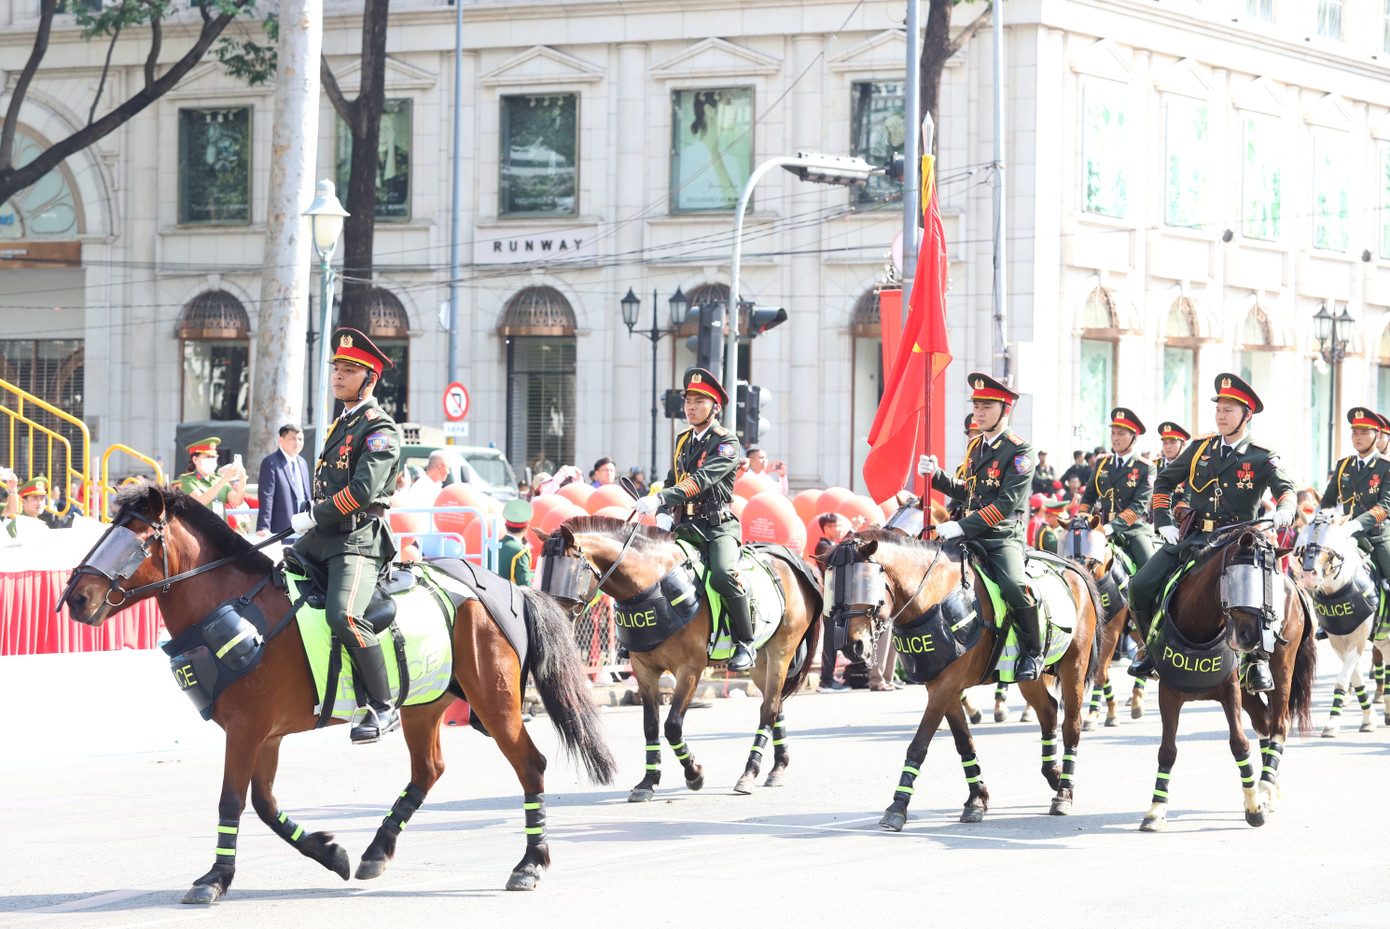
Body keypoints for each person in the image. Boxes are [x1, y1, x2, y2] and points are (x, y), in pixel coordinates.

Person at [1127, 373, 1296, 691]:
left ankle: (1256, 661)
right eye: (1218, 408)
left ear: (1246, 415)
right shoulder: (1199, 448)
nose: (1220, 414)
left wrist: (1286, 508)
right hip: (1196, 538)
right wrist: (1163, 520)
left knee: (1256, 594)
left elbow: (1286, 488)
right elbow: (1164, 482)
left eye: (1229, 409)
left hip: (1240, 541)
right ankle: (1152, 648)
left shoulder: (1261, 456)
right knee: (1139, 585)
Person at [289, 327, 404, 744]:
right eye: (336, 367)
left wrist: (313, 515)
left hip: (356, 540)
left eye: (349, 369)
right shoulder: (344, 421)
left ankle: (384, 706)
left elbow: (361, 492)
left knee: (344, 615)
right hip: (322, 536)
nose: (338, 375)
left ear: (370, 378)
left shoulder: (380, 428)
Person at [918, 372, 1045, 681]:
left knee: (1015, 586)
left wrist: (961, 526)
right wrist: (937, 476)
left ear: (1005, 410)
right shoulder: (976, 446)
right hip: (969, 533)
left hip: (1001, 537)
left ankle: (1032, 651)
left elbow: (1005, 503)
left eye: (986, 406)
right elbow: (970, 491)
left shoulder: (1020, 451)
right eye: (976, 406)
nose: (978, 412)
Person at [634, 367, 754, 671]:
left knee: (724, 574)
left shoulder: (727, 442)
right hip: (684, 526)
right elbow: (671, 478)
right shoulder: (682, 439)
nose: (691, 407)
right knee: (650, 570)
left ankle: (745, 641)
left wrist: (660, 499)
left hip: (717, 526)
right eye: (688, 401)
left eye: (699, 401)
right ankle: (646, 641)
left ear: (715, 407)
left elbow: (700, 480)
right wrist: (662, 514)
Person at [1071, 407, 1155, 569]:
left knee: (1150, 569)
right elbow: (1089, 495)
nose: (1115, 438)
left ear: (1134, 438)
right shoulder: (1102, 463)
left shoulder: (1146, 468)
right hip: (1100, 525)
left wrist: (1111, 528)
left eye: (1121, 433)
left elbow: (1138, 506)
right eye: (1113, 433)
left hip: (1133, 529)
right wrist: (1082, 516)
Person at [1317, 408, 1390, 588]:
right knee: (1315, 570)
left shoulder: (1385, 467)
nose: (1358, 437)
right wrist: (1324, 518)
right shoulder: (1344, 466)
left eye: (1365, 432)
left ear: (1377, 434)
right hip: (1344, 535)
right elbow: (1328, 501)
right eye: (1355, 433)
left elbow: (1385, 506)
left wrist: (1356, 524)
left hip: (1377, 536)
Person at [256, 423, 312, 536]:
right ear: (281, 440)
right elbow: (267, 497)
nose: (297, 443)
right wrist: (263, 526)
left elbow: (307, 496)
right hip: (281, 528)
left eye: (300, 439)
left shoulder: (303, 463)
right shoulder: (271, 462)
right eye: (293, 439)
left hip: (304, 528)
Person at [176, 437, 247, 520]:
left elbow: (237, 501)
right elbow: (200, 502)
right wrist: (225, 479)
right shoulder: (188, 480)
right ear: (195, 459)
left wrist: (243, 479)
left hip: (220, 528)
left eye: (214, 457)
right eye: (208, 457)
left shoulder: (219, 479)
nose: (212, 460)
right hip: (199, 530)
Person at [1155, 421, 1192, 519]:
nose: (1168, 446)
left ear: (1183, 444)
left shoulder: (1191, 467)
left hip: (1179, 519)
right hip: (1153, 518)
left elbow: (1187, 500)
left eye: (1172, 442)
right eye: (1165, 442)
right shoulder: (1154, 466)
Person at [498, 499, 535, 586]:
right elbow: (525, 585)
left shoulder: (491, 547)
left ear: (506, 526)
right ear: (526, 528)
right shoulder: (520, 552)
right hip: (510, 598)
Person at [3, 475, 52, 540]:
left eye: (42, 499)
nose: (39, 503)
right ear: (23, 501)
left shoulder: (42, 525)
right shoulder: (17, 525)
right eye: (35, 499)